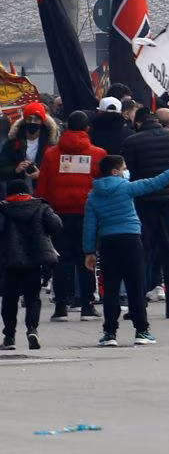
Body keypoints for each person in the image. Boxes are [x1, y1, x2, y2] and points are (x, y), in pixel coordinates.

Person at [85, 150, 169, 345]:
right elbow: (155, 183)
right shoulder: (126, 188)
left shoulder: (93, 195)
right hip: (130, 239)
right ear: (115, 171)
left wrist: (89, 252)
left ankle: (110, 333)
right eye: (124, 168)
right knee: (136, 285)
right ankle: (141, 330)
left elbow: (89, 226)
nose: (126, 171)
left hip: (108, 242)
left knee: (110, 289)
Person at [121, 108, 169, 320]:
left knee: (141, 253)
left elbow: (128, 174)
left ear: (138, 123)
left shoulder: (132, 142)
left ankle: (138, 305)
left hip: (143, 202)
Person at [34, 108, 100, 321]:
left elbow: (42, 186)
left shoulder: (51, 154)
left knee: (61, 260)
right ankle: (87, 306)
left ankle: (61, 306)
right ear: (87, 128)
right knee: (87, 258)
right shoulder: (98, 154)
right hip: (87, 213)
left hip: (58, 213)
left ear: (66, 127)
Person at [0, 170, 62, 350]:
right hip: (35, 259)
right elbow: (56, 225)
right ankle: (32, 329)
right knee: (33, 297)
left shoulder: (3, 209)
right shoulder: (41, 207)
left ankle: (9, 337)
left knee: (10, 298)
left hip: (9, 260)